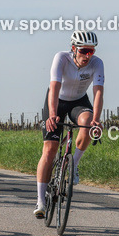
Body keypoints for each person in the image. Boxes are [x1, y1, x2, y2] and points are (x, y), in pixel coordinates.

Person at [34, 31, 103, 219]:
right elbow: (54, 87)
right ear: (74, 48)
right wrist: (53, 115)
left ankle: (74, 164)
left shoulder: (97, 63)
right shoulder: (61, 58)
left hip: (79, 102)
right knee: (49, 150)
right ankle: (40, 201)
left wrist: (96, 120)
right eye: (84, 51)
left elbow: (98, 93)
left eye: (92, 51)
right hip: (57, 101)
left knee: (88, 125)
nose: (88, 56)